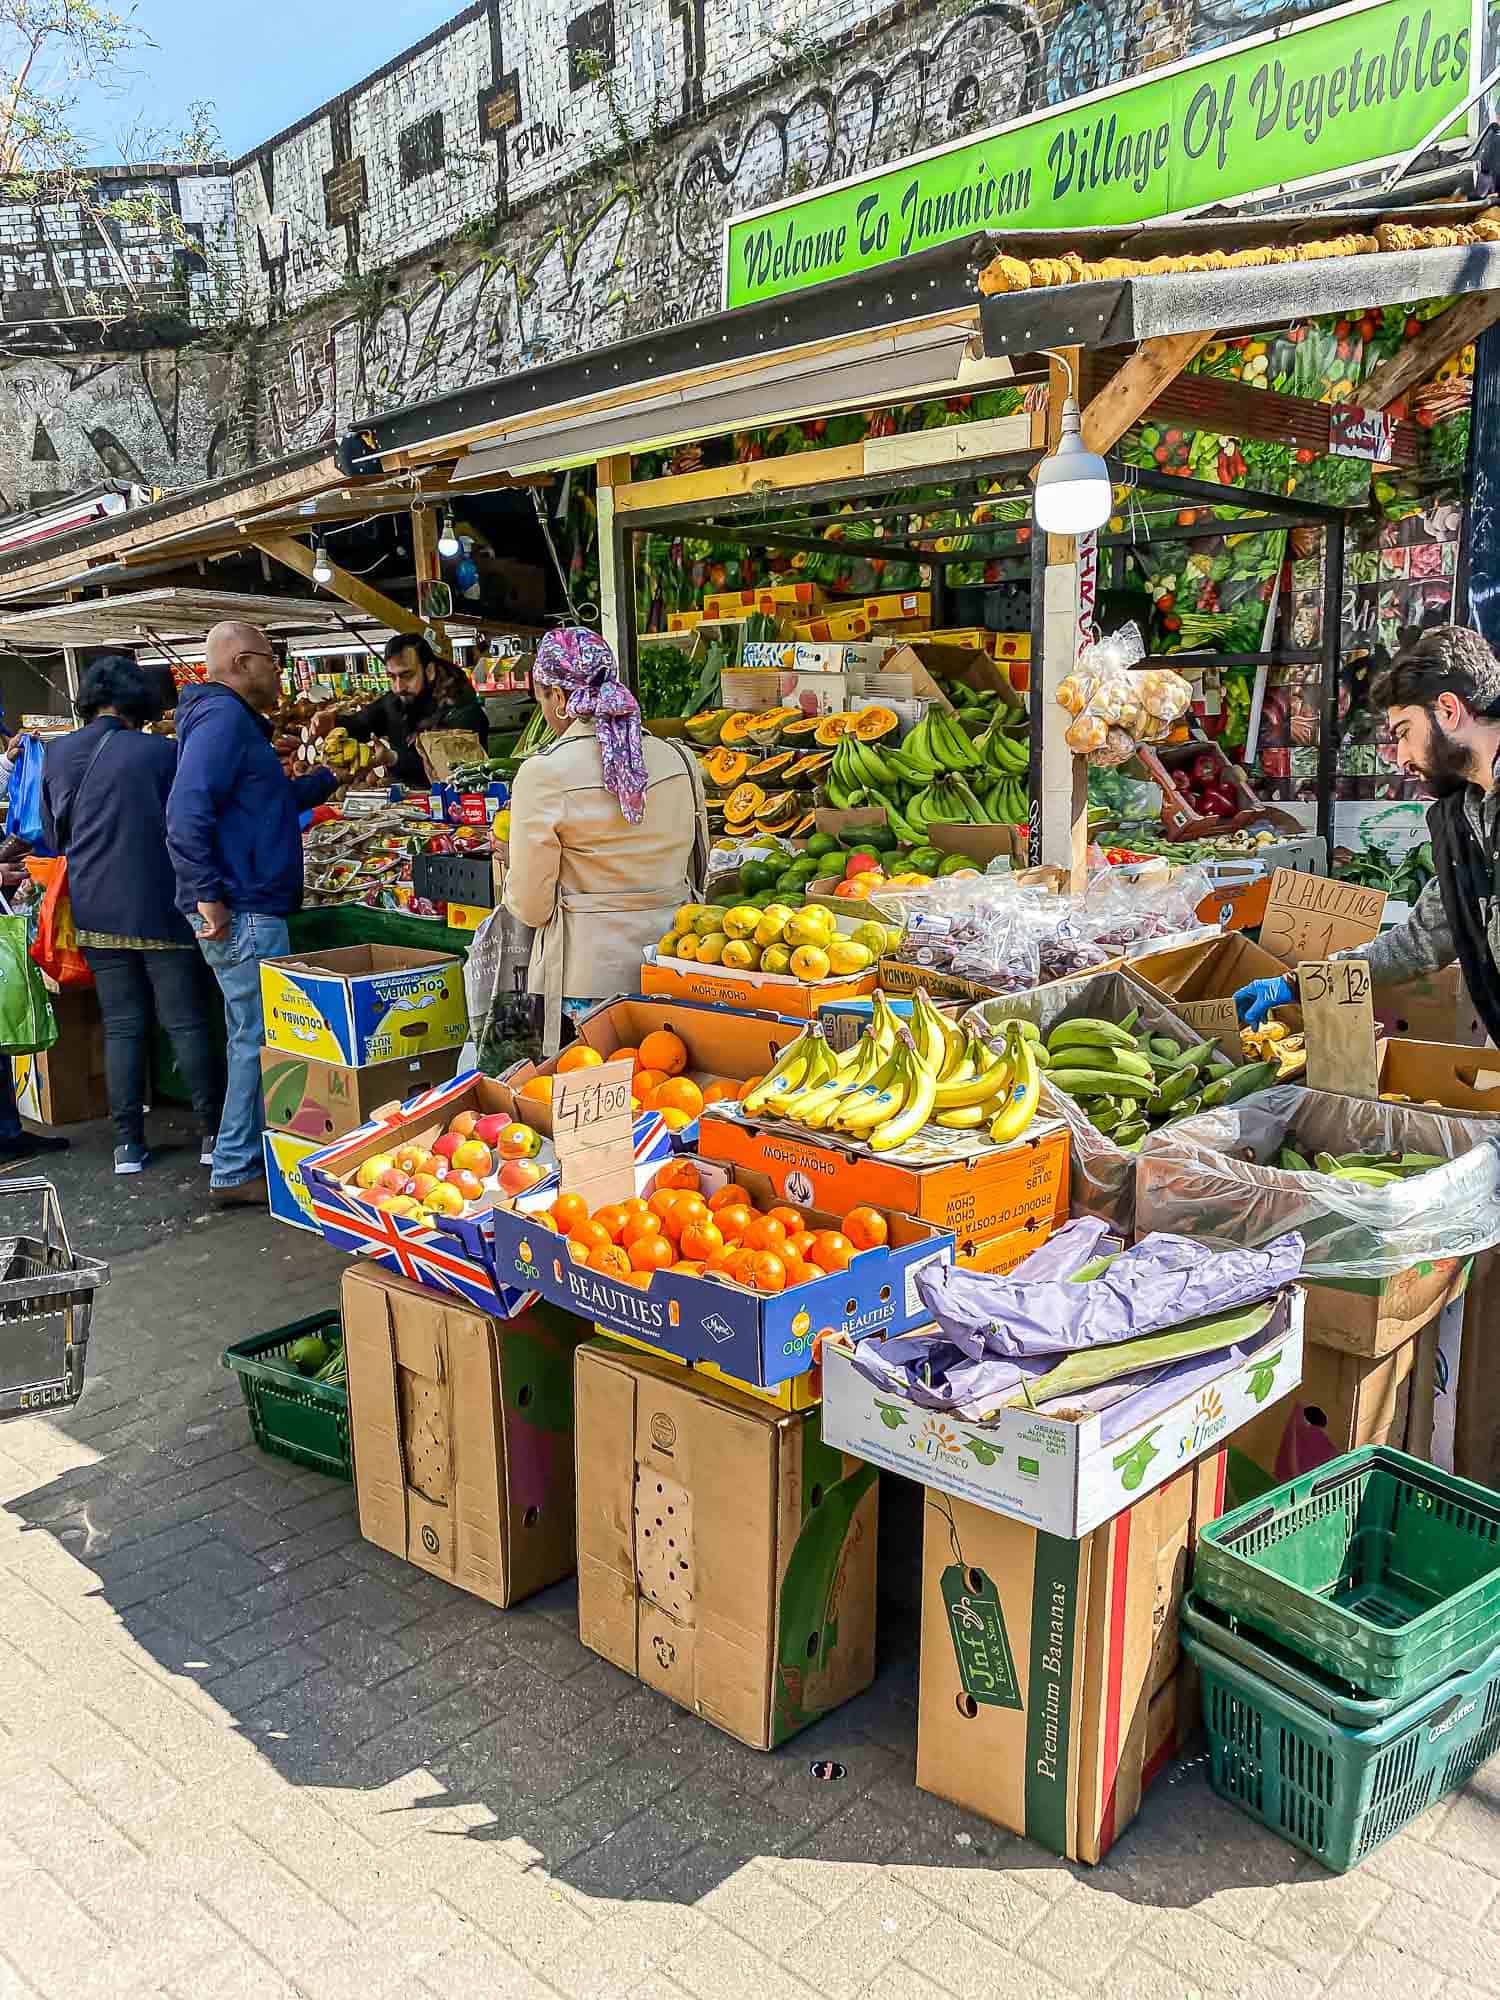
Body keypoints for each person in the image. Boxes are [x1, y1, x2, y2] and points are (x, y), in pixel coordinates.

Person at [1236, 626, 1500, 1038]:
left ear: (1448, 710)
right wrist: (1296, 983)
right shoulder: (1463, 821)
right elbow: (1420, 940)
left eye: (1404, 733)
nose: (1402, 759)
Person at [166, 622, 338, 1206]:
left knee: (253, 1033)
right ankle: (237, 1167)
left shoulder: (229, 724)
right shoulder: (221, 720)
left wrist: (328, 780)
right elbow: (186, 810)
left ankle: (243, 1159)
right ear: (243, 662)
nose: (280, 673)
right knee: (257, 1036)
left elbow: (267, 802)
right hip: (242, 908)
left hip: (244, 902)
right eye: (274, 661)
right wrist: (205, 892)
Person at [41, 655, 223, 1176]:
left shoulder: (57, 753)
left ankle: (128, 1145)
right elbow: (189, 826)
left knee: (122, 1026)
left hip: (94, 909)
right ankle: (212, 1135)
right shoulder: (160, 754)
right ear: (138, 701)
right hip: (160, 907)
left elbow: (54, 839)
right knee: (186, 1022)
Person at [503, 626, 709, 1054]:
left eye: (541, 698)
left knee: (601, 1104)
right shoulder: (678, 758)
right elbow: (699, 866)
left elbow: (531, 906)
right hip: (677, 960)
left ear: (559, 698)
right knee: (669, 1092)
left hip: (590, 983)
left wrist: (510, 863)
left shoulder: (543, 775)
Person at [329, 635, 489, 787]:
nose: (399, 687)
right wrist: (332, 722)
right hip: (410, 804)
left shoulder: (462, 709)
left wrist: (392, 759)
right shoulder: (397, 701)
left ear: (430, 671)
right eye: (392, 677)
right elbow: (362, 722)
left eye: (407, 675)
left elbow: (448, 769)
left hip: (460, 806)